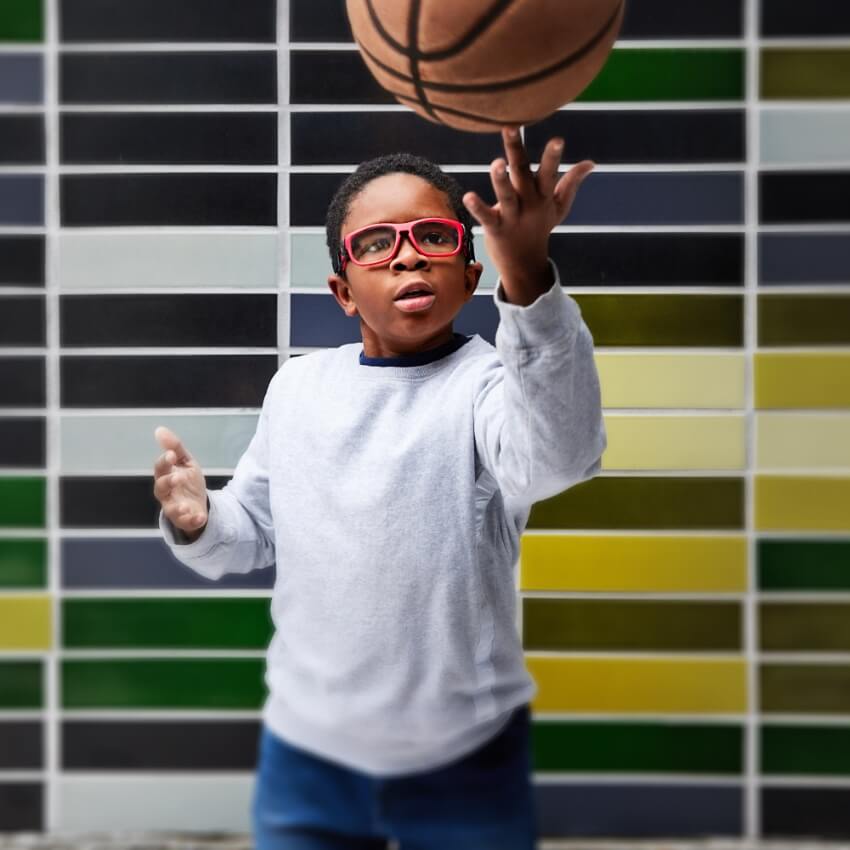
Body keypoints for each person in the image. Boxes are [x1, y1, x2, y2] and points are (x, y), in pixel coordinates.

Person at [152, 127, 606, 850]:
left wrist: (528, 276)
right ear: (343, 292)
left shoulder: (490, 388)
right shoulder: (299, 387)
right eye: (375, 244)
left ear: (470, 274)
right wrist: (201, 518)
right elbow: (252, 534)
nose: (407, 256)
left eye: (433, 236)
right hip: (310, 753)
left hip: (463, 755)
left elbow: (560, 455)